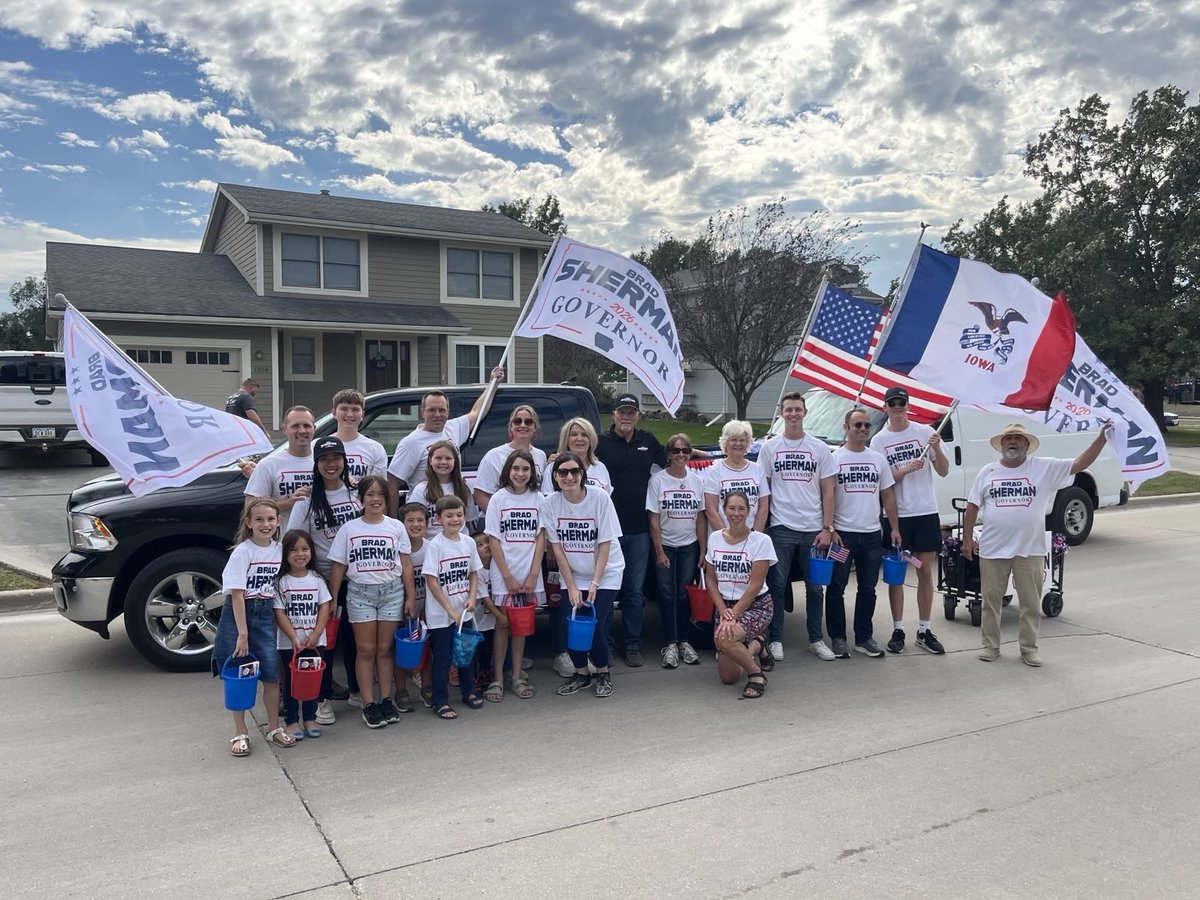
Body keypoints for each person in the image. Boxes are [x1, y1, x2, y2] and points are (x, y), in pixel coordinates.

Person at [963, 421, 1111, 666]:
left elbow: (1079, 464)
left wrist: (1101, 438)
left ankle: (1029, 649)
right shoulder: (987, 472)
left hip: (1029, 549)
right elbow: (972, 507)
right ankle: (990, 646)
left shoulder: (1043, 468)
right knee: (990, 602)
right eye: (1008, 438)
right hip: (993, 549)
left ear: (1027, 445)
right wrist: (967, 540)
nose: (1012, 442)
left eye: (1018, 439)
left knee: (1030, 604)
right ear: (1001, 445)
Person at [328, 475, 414, 729]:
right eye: (370, 495)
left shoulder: (396, 527)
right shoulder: (349, 529)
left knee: (385, 649)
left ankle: (386, 698)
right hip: (360, 593)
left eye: (380, 495)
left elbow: (406, 564)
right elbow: (338, 566)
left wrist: (410, 597)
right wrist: (333, 599)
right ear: (361, 499)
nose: (375, 499)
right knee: (365, 650)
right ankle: (369, 703)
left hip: (391, 591)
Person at [869, 386, 950, 656]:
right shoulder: (879, 440)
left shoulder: (926, 433)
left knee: (925, 571)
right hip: (898, 515)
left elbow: (943, 470)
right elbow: (882, 481)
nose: (897, 407)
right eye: (892, 403)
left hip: (925, 511)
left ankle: (924, 629)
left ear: (907, 405)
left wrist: (937, 449)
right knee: (896, 575)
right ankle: (898, 629)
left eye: (901, 403)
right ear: (885, 407)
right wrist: (904, 470)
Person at [758, 392, 837, 662]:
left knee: (815, 587)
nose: (793, 414)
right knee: (776, 585)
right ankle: (776, 638)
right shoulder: (770, 448)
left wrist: (827, 527)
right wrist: (763, 526)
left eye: (797, 409)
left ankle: (816, 639)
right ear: (781, 413)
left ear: (805, 412)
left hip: (813, 530)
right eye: (788, 409)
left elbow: (828, 490)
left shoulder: (819, 448)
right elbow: (763, 491)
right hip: (781, 528)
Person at [288, 436, 361, 723]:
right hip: (323, 581)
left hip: (357, 578)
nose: (331, 465)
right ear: (317, 464)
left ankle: (357, 689)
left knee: (355, 638)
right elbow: (294, 540)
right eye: (325, 460)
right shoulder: (306, 499)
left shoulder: (356, 492)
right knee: (325, 641)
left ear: (344, 461)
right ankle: (322, 697)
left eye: (336, 459)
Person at [211, 498, 291, 756]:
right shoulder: (243, 552)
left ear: (278, 522)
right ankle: (239, 731)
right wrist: (242, 634)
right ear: (248, 523)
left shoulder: (279, 550)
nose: (265, 524)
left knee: (271, 673)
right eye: (259, 519)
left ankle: (273, 727)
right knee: (238, 675)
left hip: (265, 612)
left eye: (270, 519)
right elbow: (236, 594)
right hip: (240, 614)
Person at [543, 452, 626, 698]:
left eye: (574, 471)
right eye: (563, 472)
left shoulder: (599, 498)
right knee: (572, 625)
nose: (569, 477)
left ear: (583, 474)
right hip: (574, 573)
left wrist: (595, 583)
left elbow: (605, 543)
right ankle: (581, 673)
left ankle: (602, 671)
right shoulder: (549, 504)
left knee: (594, 625)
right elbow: (557, 549)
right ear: (555, 477)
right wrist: (571, 586)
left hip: (606, 571)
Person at [594, 393, 665, 668]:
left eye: (631, 412)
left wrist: (700, 453)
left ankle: (633, 643)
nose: (626, 416)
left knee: (634, 591)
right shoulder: (600, 443)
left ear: (638, 415)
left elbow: (672, 457)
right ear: (614, 414)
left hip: (638, 530)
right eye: (622, 412)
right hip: (606, 533)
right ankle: (606, 644)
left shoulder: (647, 441)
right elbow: (578, 459)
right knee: (605, 591)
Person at [826, 407, 901, 659]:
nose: (863, 430)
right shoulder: (834, 459)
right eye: (857, 425)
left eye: (867, 426)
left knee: (868, 588)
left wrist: (894, 528)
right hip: (842, 537)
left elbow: (887, 494)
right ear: (846, 428)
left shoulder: (877, 459)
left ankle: (863, 637)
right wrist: (830, 528)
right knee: (836, 587)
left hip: (871, 536)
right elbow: (825, 496)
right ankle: (837, 637)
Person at [386, 369, 505, 512]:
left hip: (454, 514)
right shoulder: (410, 443)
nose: (437, 415)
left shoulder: (452, 428)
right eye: (432, 410)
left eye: (442, 410)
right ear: (422, 412)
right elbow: (392, 485)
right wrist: (393, 524)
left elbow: (477, 412)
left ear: (448, 411)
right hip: (426, 516)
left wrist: (493, 383)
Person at [484, 449, 546, 700]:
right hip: (504, 572)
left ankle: (516, 676)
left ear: (532, 473)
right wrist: (507, 575)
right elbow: (493, 538)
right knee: (502, 624)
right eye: (516, 468)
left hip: (529, 571)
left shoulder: (538, 498)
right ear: (508, 470)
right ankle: (497, 677)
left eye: (526, 469)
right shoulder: (498, 499)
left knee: (521, 626)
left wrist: (533, 574)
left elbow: (541, 537)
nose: (520, 474)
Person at [703, 491, 777, 699]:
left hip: (756, 605)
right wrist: (723, 611)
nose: (736, 513)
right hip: (725, 606)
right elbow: (711, 580)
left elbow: (755, 586)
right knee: (729, 677)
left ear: (749, 511)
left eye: (741, 509)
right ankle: (758, 646)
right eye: (731, 508)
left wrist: (732, 615)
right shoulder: (715, 538)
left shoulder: (761, 541)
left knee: (724, 639)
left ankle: (756, 674)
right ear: (724, 510)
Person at [422, 495, 486, 719]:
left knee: (465, 654)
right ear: (439, 519)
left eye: (459, 515)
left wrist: (472, 598)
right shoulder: (435, 546)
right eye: (449, 515)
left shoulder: (468, 542)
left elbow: (473, 573)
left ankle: (469, 691)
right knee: (442, 658)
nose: (455, 519)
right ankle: (440, 700)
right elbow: (431, 580)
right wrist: (449, 610)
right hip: (441, 615)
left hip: (464, 612)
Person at [646, 433, 705, 668]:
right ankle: (670, 643)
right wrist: (659, 551)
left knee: (683, 594)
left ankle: (684, 642)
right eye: (676, 450)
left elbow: (701, 518)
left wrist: (702, 549)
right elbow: (653, 519)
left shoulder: (696, 481)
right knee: (667, 595)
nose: (681, 455)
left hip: (689, 545)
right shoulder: (658, 481)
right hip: (666, 546)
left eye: (685, 450)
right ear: (668, 454)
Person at [273, 529, 332, 742]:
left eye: (305, 549)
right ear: (285, 554)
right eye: (294, 550)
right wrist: (293, 638)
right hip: (290, 644)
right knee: (291, 683)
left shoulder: (317, 579)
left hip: (315, 642)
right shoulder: (281, 582)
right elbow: (279, 612)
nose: (300, 554)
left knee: (312, 682)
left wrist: (316, 634)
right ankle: (291, 721)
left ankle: (310, 718)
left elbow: (325, 607)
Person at [244, 405, 315, 531]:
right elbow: (250, 507)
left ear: (314, 429)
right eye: (295, 426)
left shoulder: (325, 462)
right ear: (284, 429)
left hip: (319, 546)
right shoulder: (268, 464)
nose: (302, 430)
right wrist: (289, 502)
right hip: (282, 544)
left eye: (307, 426)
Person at [473, 405, 548, 512]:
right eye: (517, 421)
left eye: (528, 422)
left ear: (535, 428)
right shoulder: (493, 456)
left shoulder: (541, 456)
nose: (523, 425)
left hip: (531, 522)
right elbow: (480, 494)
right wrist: (498, 518)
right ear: (511, 427)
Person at [703, 420, 771, 533]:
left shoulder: (758, 470)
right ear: (725, 443)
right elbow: (711, 510)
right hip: (723, 537)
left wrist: (755, 535)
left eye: (742, 440)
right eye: (733, 440)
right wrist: (727, 536)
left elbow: (763, 508)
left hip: (751, 536)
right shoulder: (714, 471)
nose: (738, 444)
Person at [397, 501, 431, 710]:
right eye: (410, 520)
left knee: (426, 647)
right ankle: (401, 690)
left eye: (420, 520)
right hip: (400, 608)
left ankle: (427, 687)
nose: (415, 524)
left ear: (427, 523)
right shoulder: (397, 549)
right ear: (401, 524)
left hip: (426, 607)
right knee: (399, 651)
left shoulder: (432, 547)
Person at [407, 441, 479, 538]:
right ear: (430, 461)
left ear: (455, 461)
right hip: (431, 543)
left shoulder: (463, 489)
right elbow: (413, 521)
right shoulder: (421, 489)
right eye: (438, 458)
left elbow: (471, 521)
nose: (443, 462)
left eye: (448, 458)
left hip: (460, 544)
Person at [328, 389, 387, 483]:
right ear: (334, 413)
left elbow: (378, 489)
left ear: (362, 415)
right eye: (344, 409)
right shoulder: (317, 446)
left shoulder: (375, 449)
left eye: (355, 410)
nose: (350, 415)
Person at [549, 417, 612, 494]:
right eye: (574, 434)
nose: (579, 438)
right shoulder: (553, 468)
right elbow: (548, 501)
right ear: (566, 439)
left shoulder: (600, 467)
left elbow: (607, 500)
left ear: (591, 440)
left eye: (584, 435)